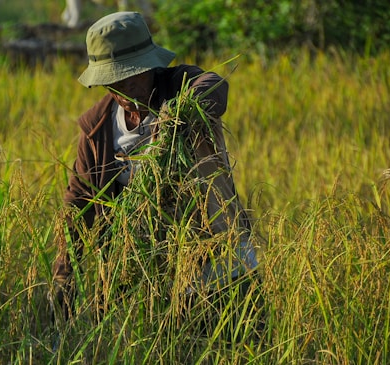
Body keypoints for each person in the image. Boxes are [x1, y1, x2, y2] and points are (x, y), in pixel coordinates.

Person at [52, 11, 260, 324]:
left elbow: (214, 86)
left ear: (151, 66)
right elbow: (80, 204)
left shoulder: (180, 86)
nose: (126, 88)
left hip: (222, 260)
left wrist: (180, 112)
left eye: (133, 75)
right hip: (155, 277)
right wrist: (65, 280)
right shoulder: (98, 128)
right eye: (114, 80)